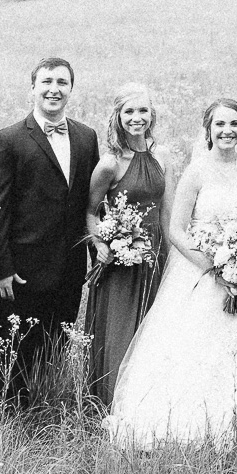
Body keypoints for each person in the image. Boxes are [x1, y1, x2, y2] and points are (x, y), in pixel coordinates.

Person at [107, 99, 237, 448]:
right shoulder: (196, 172)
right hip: (200, 276)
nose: (227, 131)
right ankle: (191, 429)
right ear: (208, 130)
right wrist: (215, 268)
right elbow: (177, 231)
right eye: (219, 124)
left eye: (234, 124)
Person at [0, 57, 98, 405]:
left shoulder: (86, 137)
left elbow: (90, 205)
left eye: (62, 82)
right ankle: (7, 412)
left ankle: (46, 405)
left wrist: (97, 255)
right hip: (22, 270)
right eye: (46, 81)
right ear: (33, 87)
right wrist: (0, 269)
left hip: (70, 267)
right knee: (17, 346)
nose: (54, 89)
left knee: (55, 345)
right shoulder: (9, 139)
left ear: (71, 89)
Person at [83, 84, 170, 407]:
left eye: (143, 111)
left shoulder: (162, 155)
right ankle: (110, 404)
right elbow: (91, 212)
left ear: (152, 115)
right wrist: (100, 243)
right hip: (120, 260)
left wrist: (171, 259)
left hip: (155, 254)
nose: (137, 118)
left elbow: (165, 211)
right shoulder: (110, 163)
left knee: (153, 328)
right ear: (118, 117)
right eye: (129, 112)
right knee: (120, 331)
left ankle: (146, 403)